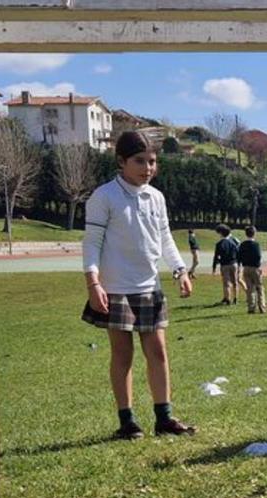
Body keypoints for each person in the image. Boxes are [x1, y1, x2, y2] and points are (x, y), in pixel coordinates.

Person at [81, 130, 195, 441]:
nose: (147, 168)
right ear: (121, 161)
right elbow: (91, 244)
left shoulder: (155, 197)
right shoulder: (104, 197)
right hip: (115, 288)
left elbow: (165, 238)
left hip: (149, 287)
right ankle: (127, 421)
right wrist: (94, 283)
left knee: (158, 351)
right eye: (140, 161)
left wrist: (180, 270)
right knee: (123, 354)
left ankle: (165, 418)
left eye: (153, 162)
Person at [238, 225, 265, 314]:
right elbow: (258, 256)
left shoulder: (242, 244)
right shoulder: (256, 244)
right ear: (254, 234)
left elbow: (239, 256)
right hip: (255, 268)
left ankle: (251, 307)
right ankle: (262, 306)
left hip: (246, 267)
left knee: (250, 289)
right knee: (259, 288)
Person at [212, 223, 240, 305]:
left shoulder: (219, 244)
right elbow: (238, 254)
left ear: (221, 233)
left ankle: (228, 299)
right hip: (234, 264)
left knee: (226, 283)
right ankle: (236, 298)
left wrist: (214, 267)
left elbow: (216, 257)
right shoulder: (233, 243)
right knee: (235, 282)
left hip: (224, 265)